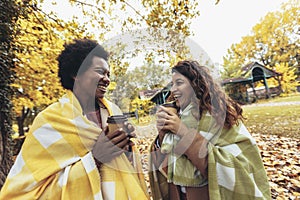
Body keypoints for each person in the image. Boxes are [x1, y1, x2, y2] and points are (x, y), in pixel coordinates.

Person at [0, 39, 149, 200]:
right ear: (76, 73)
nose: (106, 79)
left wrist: (126, 147)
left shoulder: (114, 112)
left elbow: (125, 166)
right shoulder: (50, 121)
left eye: (108, 74)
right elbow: (23, 192)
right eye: (100, 71)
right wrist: (95, 159)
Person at [149, 60, 271, 200]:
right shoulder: (177, 116)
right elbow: (165, 166)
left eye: (179, 83)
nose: (173, 90)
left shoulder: (220, 117)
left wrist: (183, 132)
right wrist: (162, 135)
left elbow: (234, 166)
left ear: (196, 84)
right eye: (173, 84)